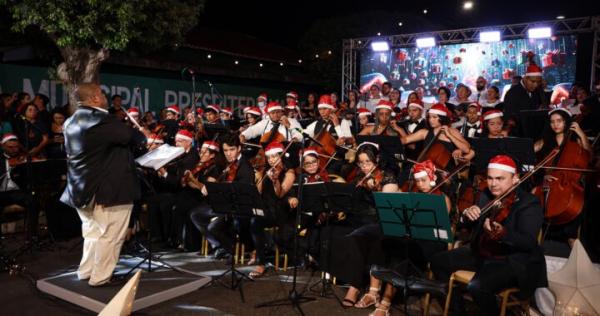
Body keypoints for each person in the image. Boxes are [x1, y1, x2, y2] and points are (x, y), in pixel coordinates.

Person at [430, 155, 547, 315]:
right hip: (482, 252)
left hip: (510, 260)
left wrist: (503, 234)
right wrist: (468, 215)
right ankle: (457, 311)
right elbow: (467, 225)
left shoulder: (529, 202)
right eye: (490, 178)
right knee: (438, 261)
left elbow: (528, 242)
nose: (493, 184)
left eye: (500, 178)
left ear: (515, 179)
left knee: (477, 286)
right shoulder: (486, 195)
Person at [60, 83, 146, 287]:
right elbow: (131, 137)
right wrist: (139, 131)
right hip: (107, 190)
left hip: (81, 190)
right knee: (111, 236)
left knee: (91, 233)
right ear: (95, 98)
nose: (104, 96)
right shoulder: (102, 119)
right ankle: (101, 278)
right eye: (101, 93)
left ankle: (86, 271)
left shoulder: (71, 121)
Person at [367, 160, 452, 316]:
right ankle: (374, 291)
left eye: (423, 180)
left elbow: (438, 229)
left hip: (432, 242)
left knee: (402, 254)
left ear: (433, 178)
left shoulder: (443, 199)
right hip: (413, 237)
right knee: (385, 241)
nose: (420, 184)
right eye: (417, 180)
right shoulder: (413, 194)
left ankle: (385, 303)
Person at [249, 142, 296, 278]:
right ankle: (255, 250)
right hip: (265, 207)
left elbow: (280, 195)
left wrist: (275, 180)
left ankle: (261, 262)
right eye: (269, 157)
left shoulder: (289, 172)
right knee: (247, 216)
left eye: (275, 157)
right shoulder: (265, 171)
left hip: (279, 210)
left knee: (255, 222)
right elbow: (258, 193)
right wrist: (258, 177)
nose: (271, 160)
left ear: (282, 156)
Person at [503, 52, 545, 135]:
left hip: (535, 133)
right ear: (525, 78)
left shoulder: (537, 91)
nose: (535, 85)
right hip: (520, 135)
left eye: (538, 82)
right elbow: (510, 118)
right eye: (533, 82)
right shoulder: (512, 93)